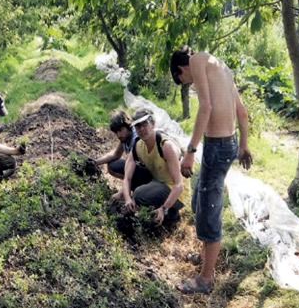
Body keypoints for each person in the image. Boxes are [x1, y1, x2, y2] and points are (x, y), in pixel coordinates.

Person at [169, 45, 253, 294]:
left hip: (217, 146)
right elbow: (242, 111)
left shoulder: (196, 61)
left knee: (208, 208)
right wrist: (244, 146)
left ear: (181, 68)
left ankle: (205, 279)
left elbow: (205, 107)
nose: (187, 82)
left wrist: (191, 150)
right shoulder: (220, 66)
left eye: (182, 79)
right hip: (227, 144)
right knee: (199, 200)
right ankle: (205, 256)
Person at [121, 108, 190, 227]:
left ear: (153, 124)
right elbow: (127, 177)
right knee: (118, 166)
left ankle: (171, 213)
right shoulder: (138, 145)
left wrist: (164, 208)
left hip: (177, 193)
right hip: (157, 181)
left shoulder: (166, 146)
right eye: (138, 127)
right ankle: (150, 204)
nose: (142, 130)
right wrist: (127, 198)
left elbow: (179, 185)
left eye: (145, 125)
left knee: (139, 194)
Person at [93, 110, 151, 198]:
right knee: (112, 165)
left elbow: (130, 168)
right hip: (137, 170)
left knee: (123, 166)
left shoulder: (136, 139)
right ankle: (132, 188)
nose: (118, 135)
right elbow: (116, 154)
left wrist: (121, 193)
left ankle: (134, 189)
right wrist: (95, 162)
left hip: (148, 174)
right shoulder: (125, 138)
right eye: (116, 132)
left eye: (120, 130)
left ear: (128, 126)